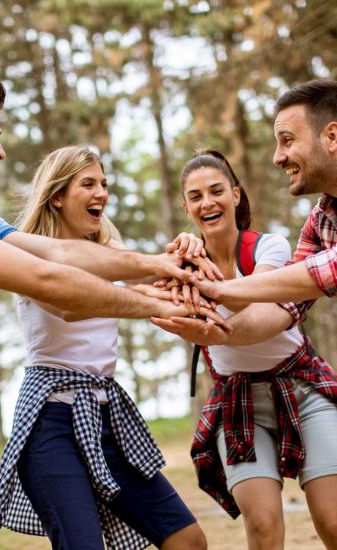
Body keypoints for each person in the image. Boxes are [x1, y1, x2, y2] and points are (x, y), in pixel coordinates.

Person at [0, 76, 222, 549]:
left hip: (102, 406)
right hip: (50, 414)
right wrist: (163, 299)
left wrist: (163, 263)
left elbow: (63, 256)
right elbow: (54, 284)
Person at [154, 149, 337, 549]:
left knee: (333, 519)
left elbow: (264, 305)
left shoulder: (268, 246)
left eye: (217, 191)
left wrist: (212, 282)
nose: (208, 202)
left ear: (236, 195)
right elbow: (151, 299)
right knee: (264, 526)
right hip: (237, 400)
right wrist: (183, 269)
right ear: (186, 207)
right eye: (196, 196)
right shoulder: (180, 264)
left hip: (302, 387)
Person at [154, 79, 337, 348]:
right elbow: (287, 300)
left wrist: (217, 289)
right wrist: (222, 334)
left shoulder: (267, 245)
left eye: (287, 141)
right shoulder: (320, 220)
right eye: (195, 196)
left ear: (331, 137)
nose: (277, 157)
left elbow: (327, 270)